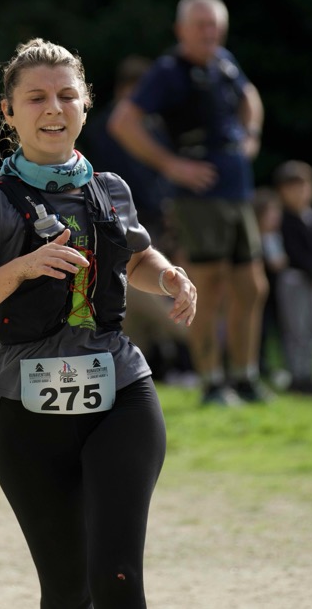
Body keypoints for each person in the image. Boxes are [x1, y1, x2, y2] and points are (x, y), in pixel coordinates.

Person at [0, 38, 197, 608]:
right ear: (8, 112)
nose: (53, 108)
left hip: (122, 393)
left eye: (67, 95)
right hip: (29, 409)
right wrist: (22, 268)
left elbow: (134, 259)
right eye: (36, 98)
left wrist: (169, 276)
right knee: (67, 591)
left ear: (86, 104)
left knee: (118, 580)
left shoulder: (111, 189)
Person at [107, 0, 267, 406]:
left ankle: (245, 377)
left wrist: (250, 135)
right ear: (181, 30)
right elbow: (123, 122)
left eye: (215, 25)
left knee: (252, 286)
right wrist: (171, 165)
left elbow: (250, 97)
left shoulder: (224, 62)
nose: (209, 33)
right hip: (199, 198)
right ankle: (211, 382)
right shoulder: (168, 71)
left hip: (237, 191)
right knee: (207, 286)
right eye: (200, 25)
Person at [85, 55, 193, 384]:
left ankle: (162, 363)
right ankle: (180, 350)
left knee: (149, 293)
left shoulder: (153, 127)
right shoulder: (107, 128)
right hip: (124, 221)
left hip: (155, 220)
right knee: (138, 297)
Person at [272, 161, 312, 395]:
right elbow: (293, 251)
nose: (301, 193)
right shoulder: (283, 220)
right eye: (294, 188)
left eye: (305, 186)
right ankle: (296, 374)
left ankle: (308, 372)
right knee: (296, 329)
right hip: (295, 280)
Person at [253, 186, 289, 388]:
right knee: (258, 329)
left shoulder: (275, 237)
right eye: (271, 212)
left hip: (275, 294)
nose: (276, 217)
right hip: (258, 294)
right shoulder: (254, 240)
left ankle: (267, 364)